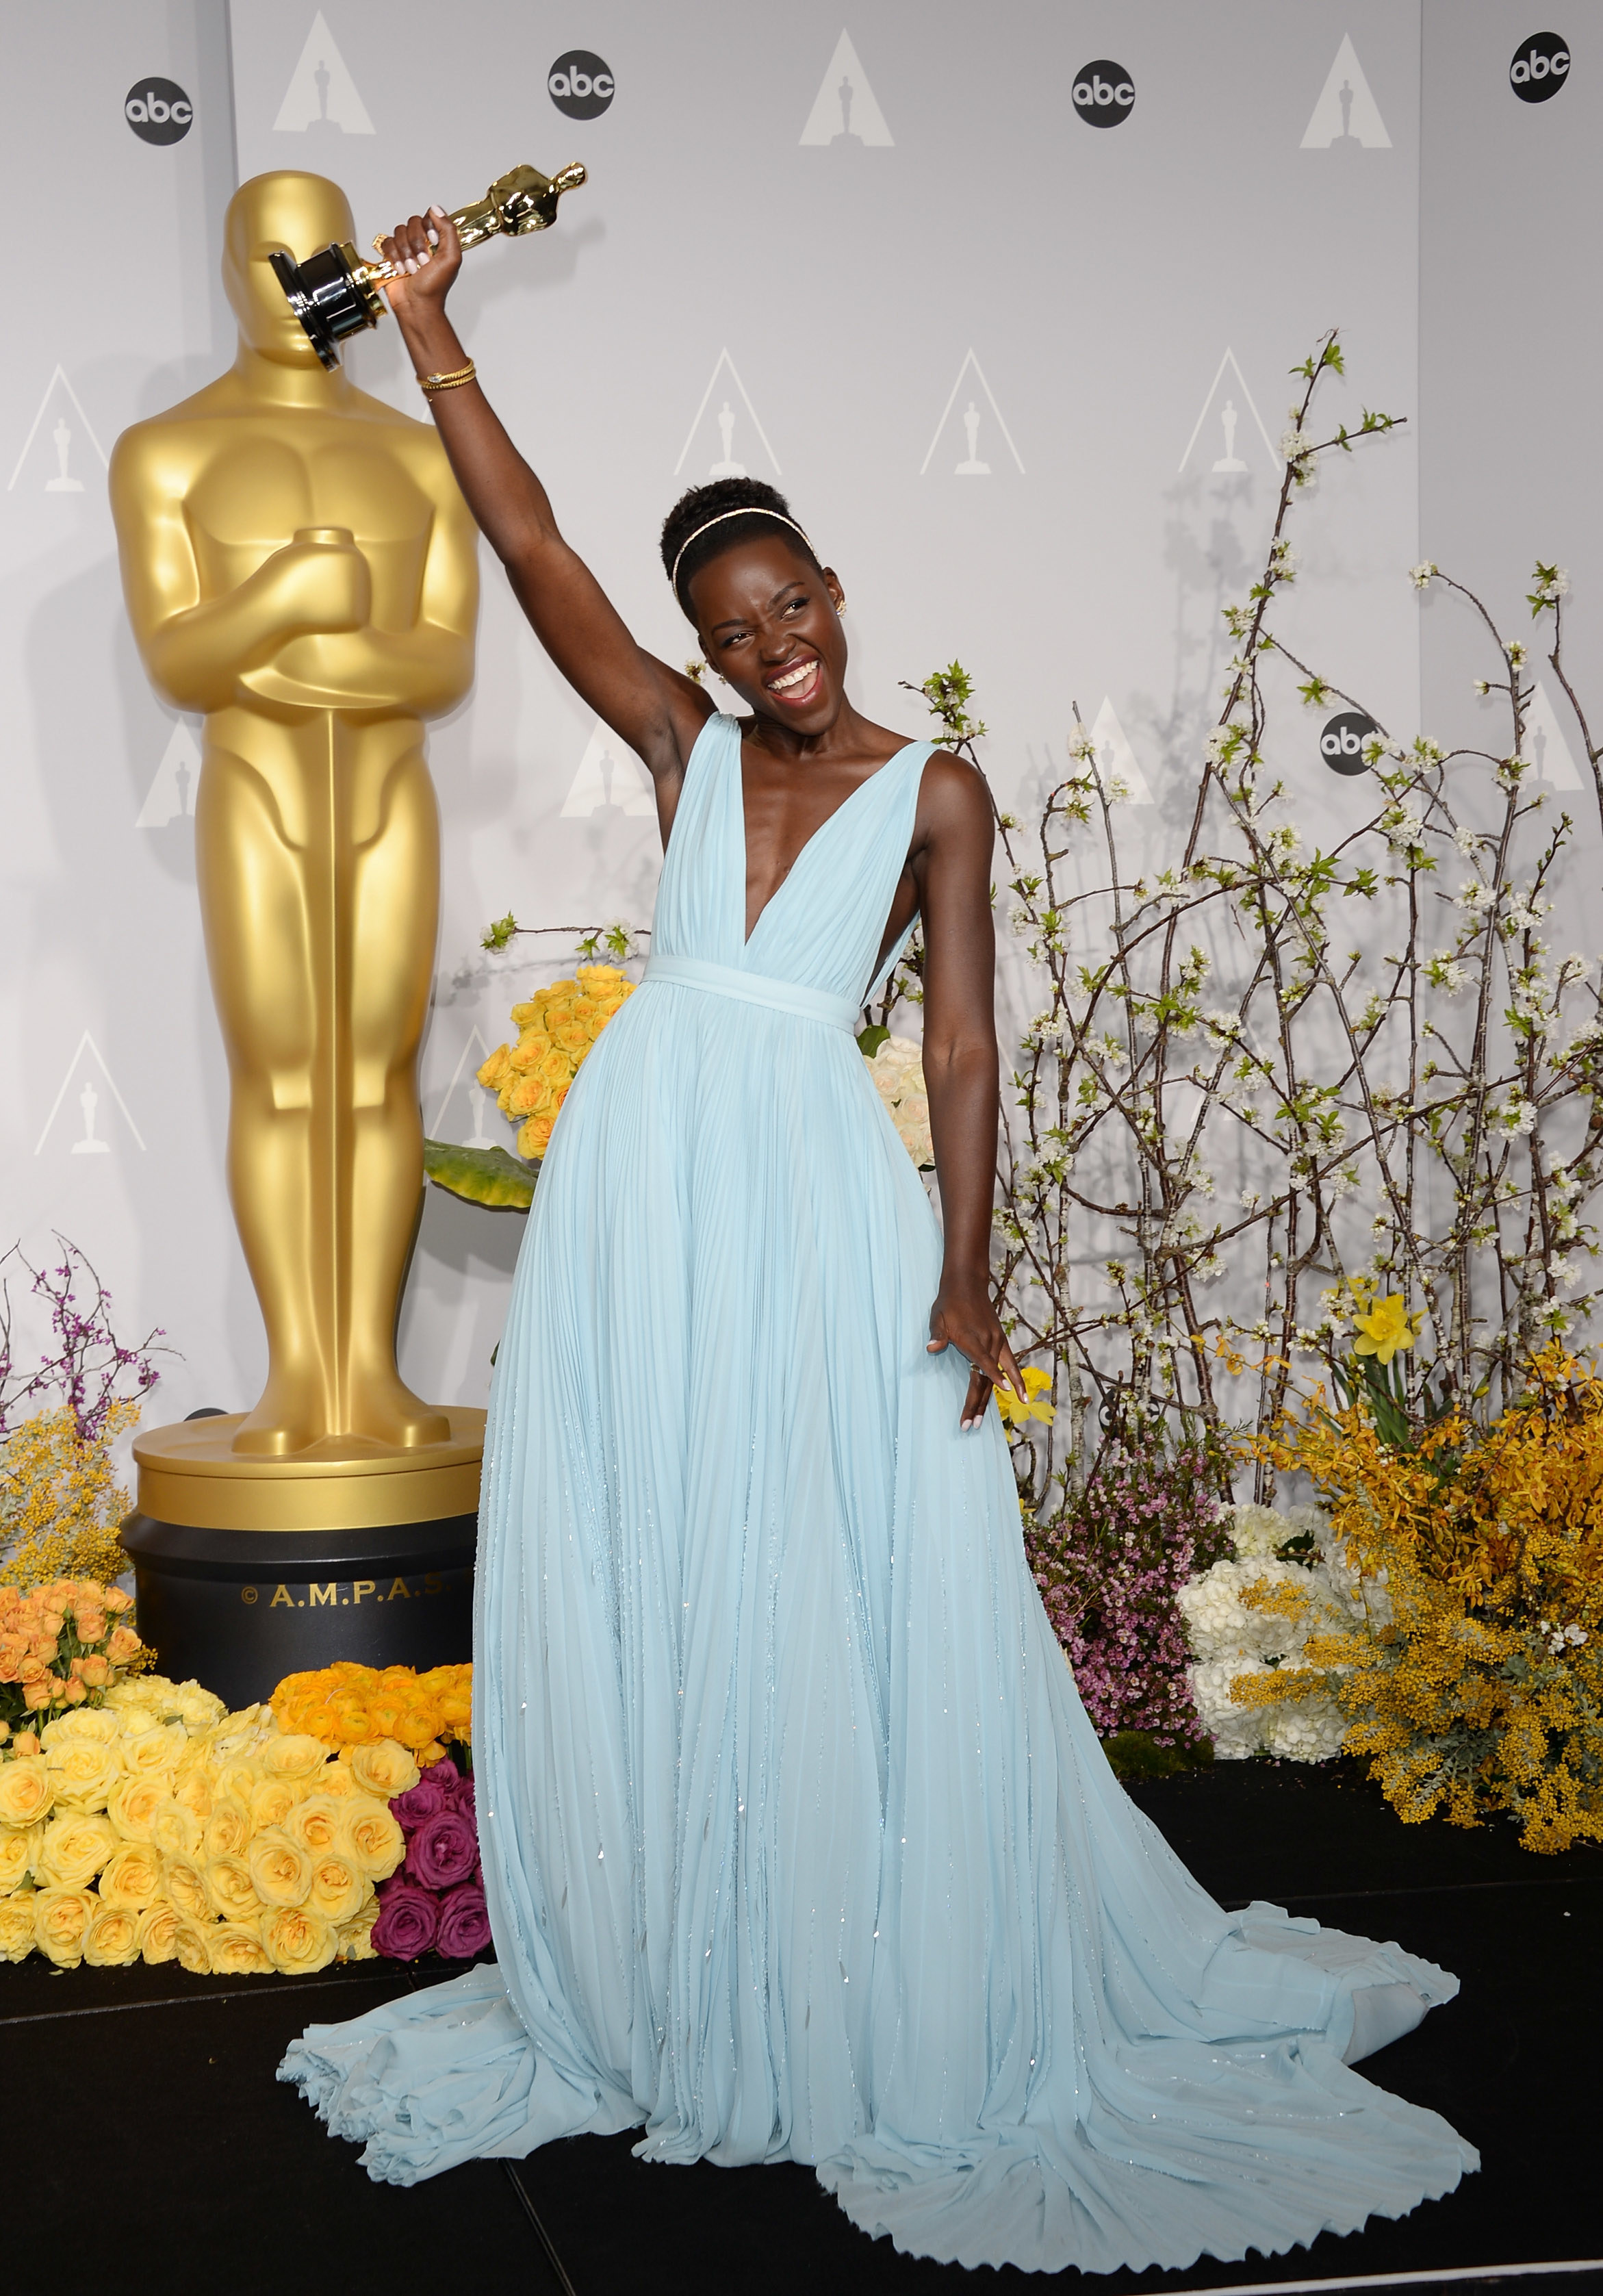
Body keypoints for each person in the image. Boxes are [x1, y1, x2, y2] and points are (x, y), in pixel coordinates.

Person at [281, 206, 1476, 2274]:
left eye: (786, 608)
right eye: (732, 632)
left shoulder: (938, 790)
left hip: (821, 1199)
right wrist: (430, 332)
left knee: (843, 1547)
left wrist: (970, 1268)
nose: (770, 651)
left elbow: (963, 1045)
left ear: (832, 582)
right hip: (645, 1195)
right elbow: (535, 545)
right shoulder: (684, 745)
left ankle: (845, 1958)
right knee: (664, 1543)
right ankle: (675, 1960)